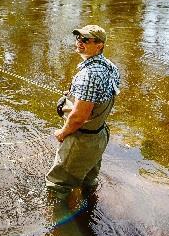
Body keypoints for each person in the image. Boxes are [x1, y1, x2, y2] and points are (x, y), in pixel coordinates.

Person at [46, 24, 120, 200]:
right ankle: (89, 213)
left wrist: (62, 133)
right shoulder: (110, 67)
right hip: (99, 136)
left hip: (82, 140)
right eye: (78, 38)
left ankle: (62, 226)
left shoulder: (88, 75)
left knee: (57, 186)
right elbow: (98, 102)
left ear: (100, 45)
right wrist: (73, 97)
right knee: (88, 180)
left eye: (86, 40)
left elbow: (79, 117)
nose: (80, 42)